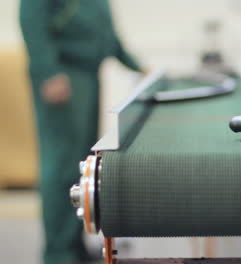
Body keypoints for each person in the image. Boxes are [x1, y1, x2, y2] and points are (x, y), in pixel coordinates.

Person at [19, 0, 142, 263]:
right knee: (62, 163)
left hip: (87, 74)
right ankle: (57, 252)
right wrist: (48, 70)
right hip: (63, 73)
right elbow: (31, 16)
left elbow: (107, 34)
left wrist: (136, 65)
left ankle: (73, 245)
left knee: (83, 165)